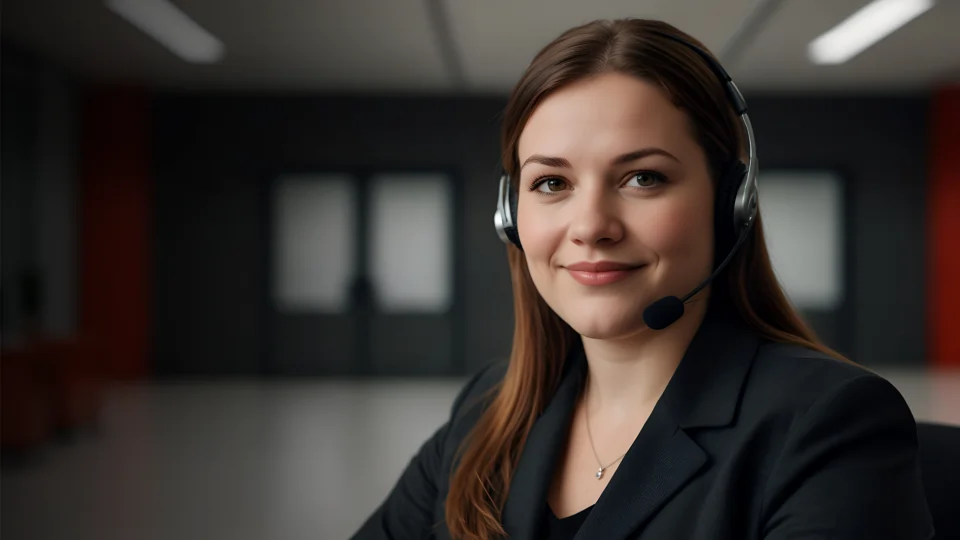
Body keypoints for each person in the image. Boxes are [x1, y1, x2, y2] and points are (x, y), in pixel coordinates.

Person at [350, 18, 934, 540]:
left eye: (643, 178)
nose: (591, 227)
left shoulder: (826, 424)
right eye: (552, 183)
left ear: (731, 202)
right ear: (511, 216)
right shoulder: (485, 413)